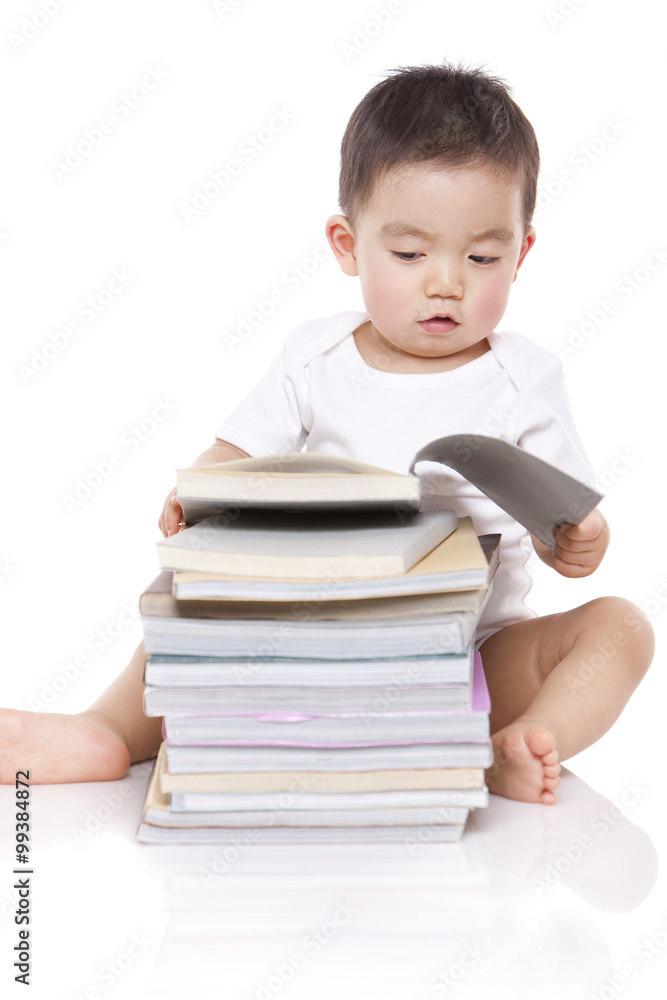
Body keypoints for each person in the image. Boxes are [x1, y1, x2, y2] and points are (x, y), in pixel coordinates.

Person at [0, 62, 654, 803]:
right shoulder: (316, 355)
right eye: (409, 255)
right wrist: (203, 495)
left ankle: (524, 741)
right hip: (318, 645)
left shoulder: (523, 376)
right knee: (190, 598)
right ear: (347, 245)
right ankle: (109, 729)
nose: (446, 282)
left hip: (471, 661)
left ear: (522, 253)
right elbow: (237, 452)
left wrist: (578, 537)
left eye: (482, 257)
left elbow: (561, 511)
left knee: (622, 629)